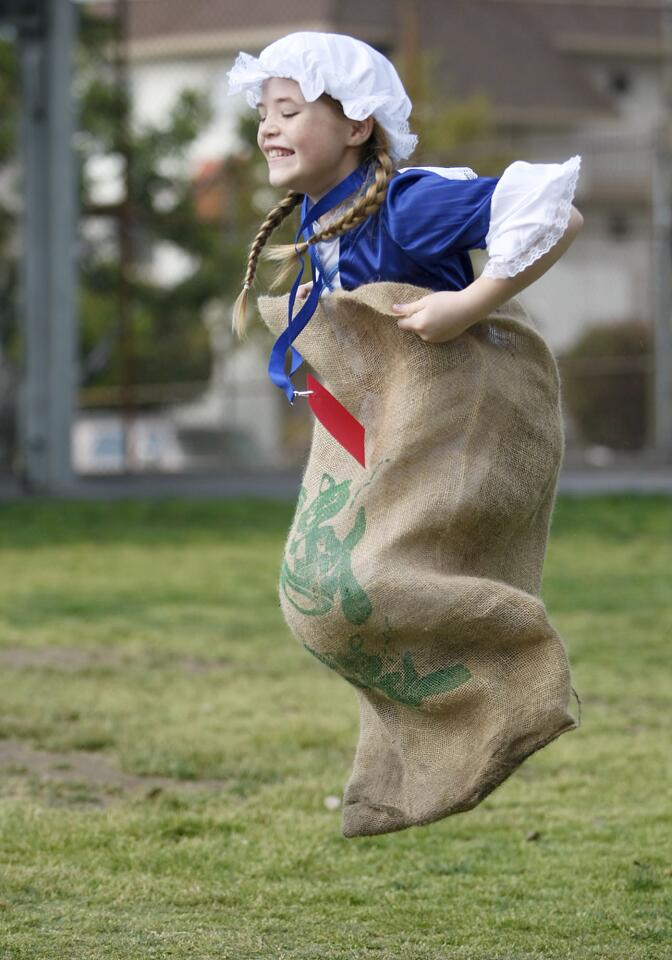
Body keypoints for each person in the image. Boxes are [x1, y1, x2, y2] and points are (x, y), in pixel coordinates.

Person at [226, 31, 582, 838]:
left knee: (358, 589)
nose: (268, 129)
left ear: (357, 125)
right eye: (263, 114)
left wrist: (470, 303)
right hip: (390, 437)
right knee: (314, 594)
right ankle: (418, 762)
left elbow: (560, 211)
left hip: (458, 433)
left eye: (289, 110)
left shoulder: (410, 206)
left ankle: (518, 673)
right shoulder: (323, 224)